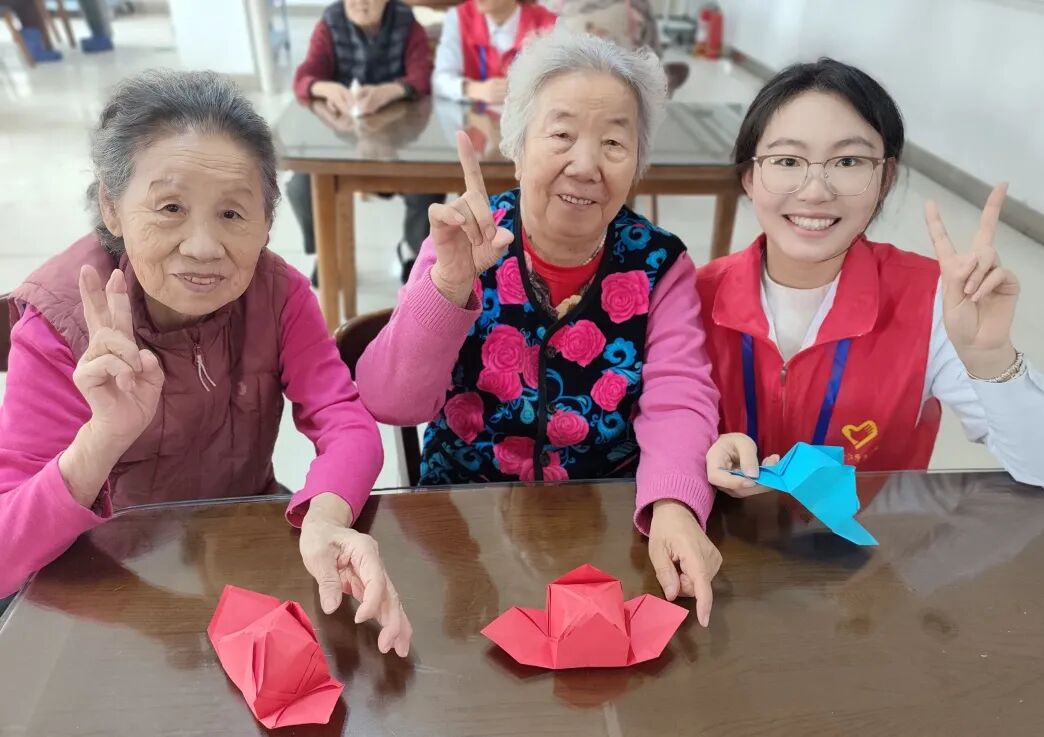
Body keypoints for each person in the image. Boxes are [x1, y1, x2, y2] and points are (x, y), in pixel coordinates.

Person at [0, 70, 412, 657]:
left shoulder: (279, 293)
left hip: (244, 541)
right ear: (112, 207)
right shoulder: (59, 320)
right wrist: (103, 437)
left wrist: (325, 517)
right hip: (108, 581)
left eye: (232, 214)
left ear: (267, 222)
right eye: (170, 207)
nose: (203, 247)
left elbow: (345, 422)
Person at [357, 30, 723, 626]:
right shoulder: (464, 240)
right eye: (561, 135)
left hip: (611, 519)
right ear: (518, 145)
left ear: (637, 163)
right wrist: (449, 284)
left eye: (613, 142)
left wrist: (675, 505)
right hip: (464, 526)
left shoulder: (660, 263)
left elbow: (680, 396)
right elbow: (389, 401)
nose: (585, 165)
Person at [698, 58, 1044, 495]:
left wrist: (991, 359)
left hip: (873, 535)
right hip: (713, 530)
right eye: (787, 160)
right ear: (750, 176)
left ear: (885, 178)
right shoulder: (691, 297)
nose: (815, 191)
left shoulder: (932, 300)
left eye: (848, 161)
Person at [289, 0, 442, 283]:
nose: (360, 2)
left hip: (400, 137)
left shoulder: (407, 23)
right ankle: (325, 250)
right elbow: (304, 77)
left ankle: (411, 250)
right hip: (342, 137)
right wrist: (325, 88)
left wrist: (389, 91)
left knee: (430, 181)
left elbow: (421, 77)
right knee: (301, 185)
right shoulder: (330, 22)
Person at [433, 0, 557, 106]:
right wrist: (474, 89)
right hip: (474, 121)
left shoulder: (549, 24)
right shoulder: (458, 17)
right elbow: (440, 80)